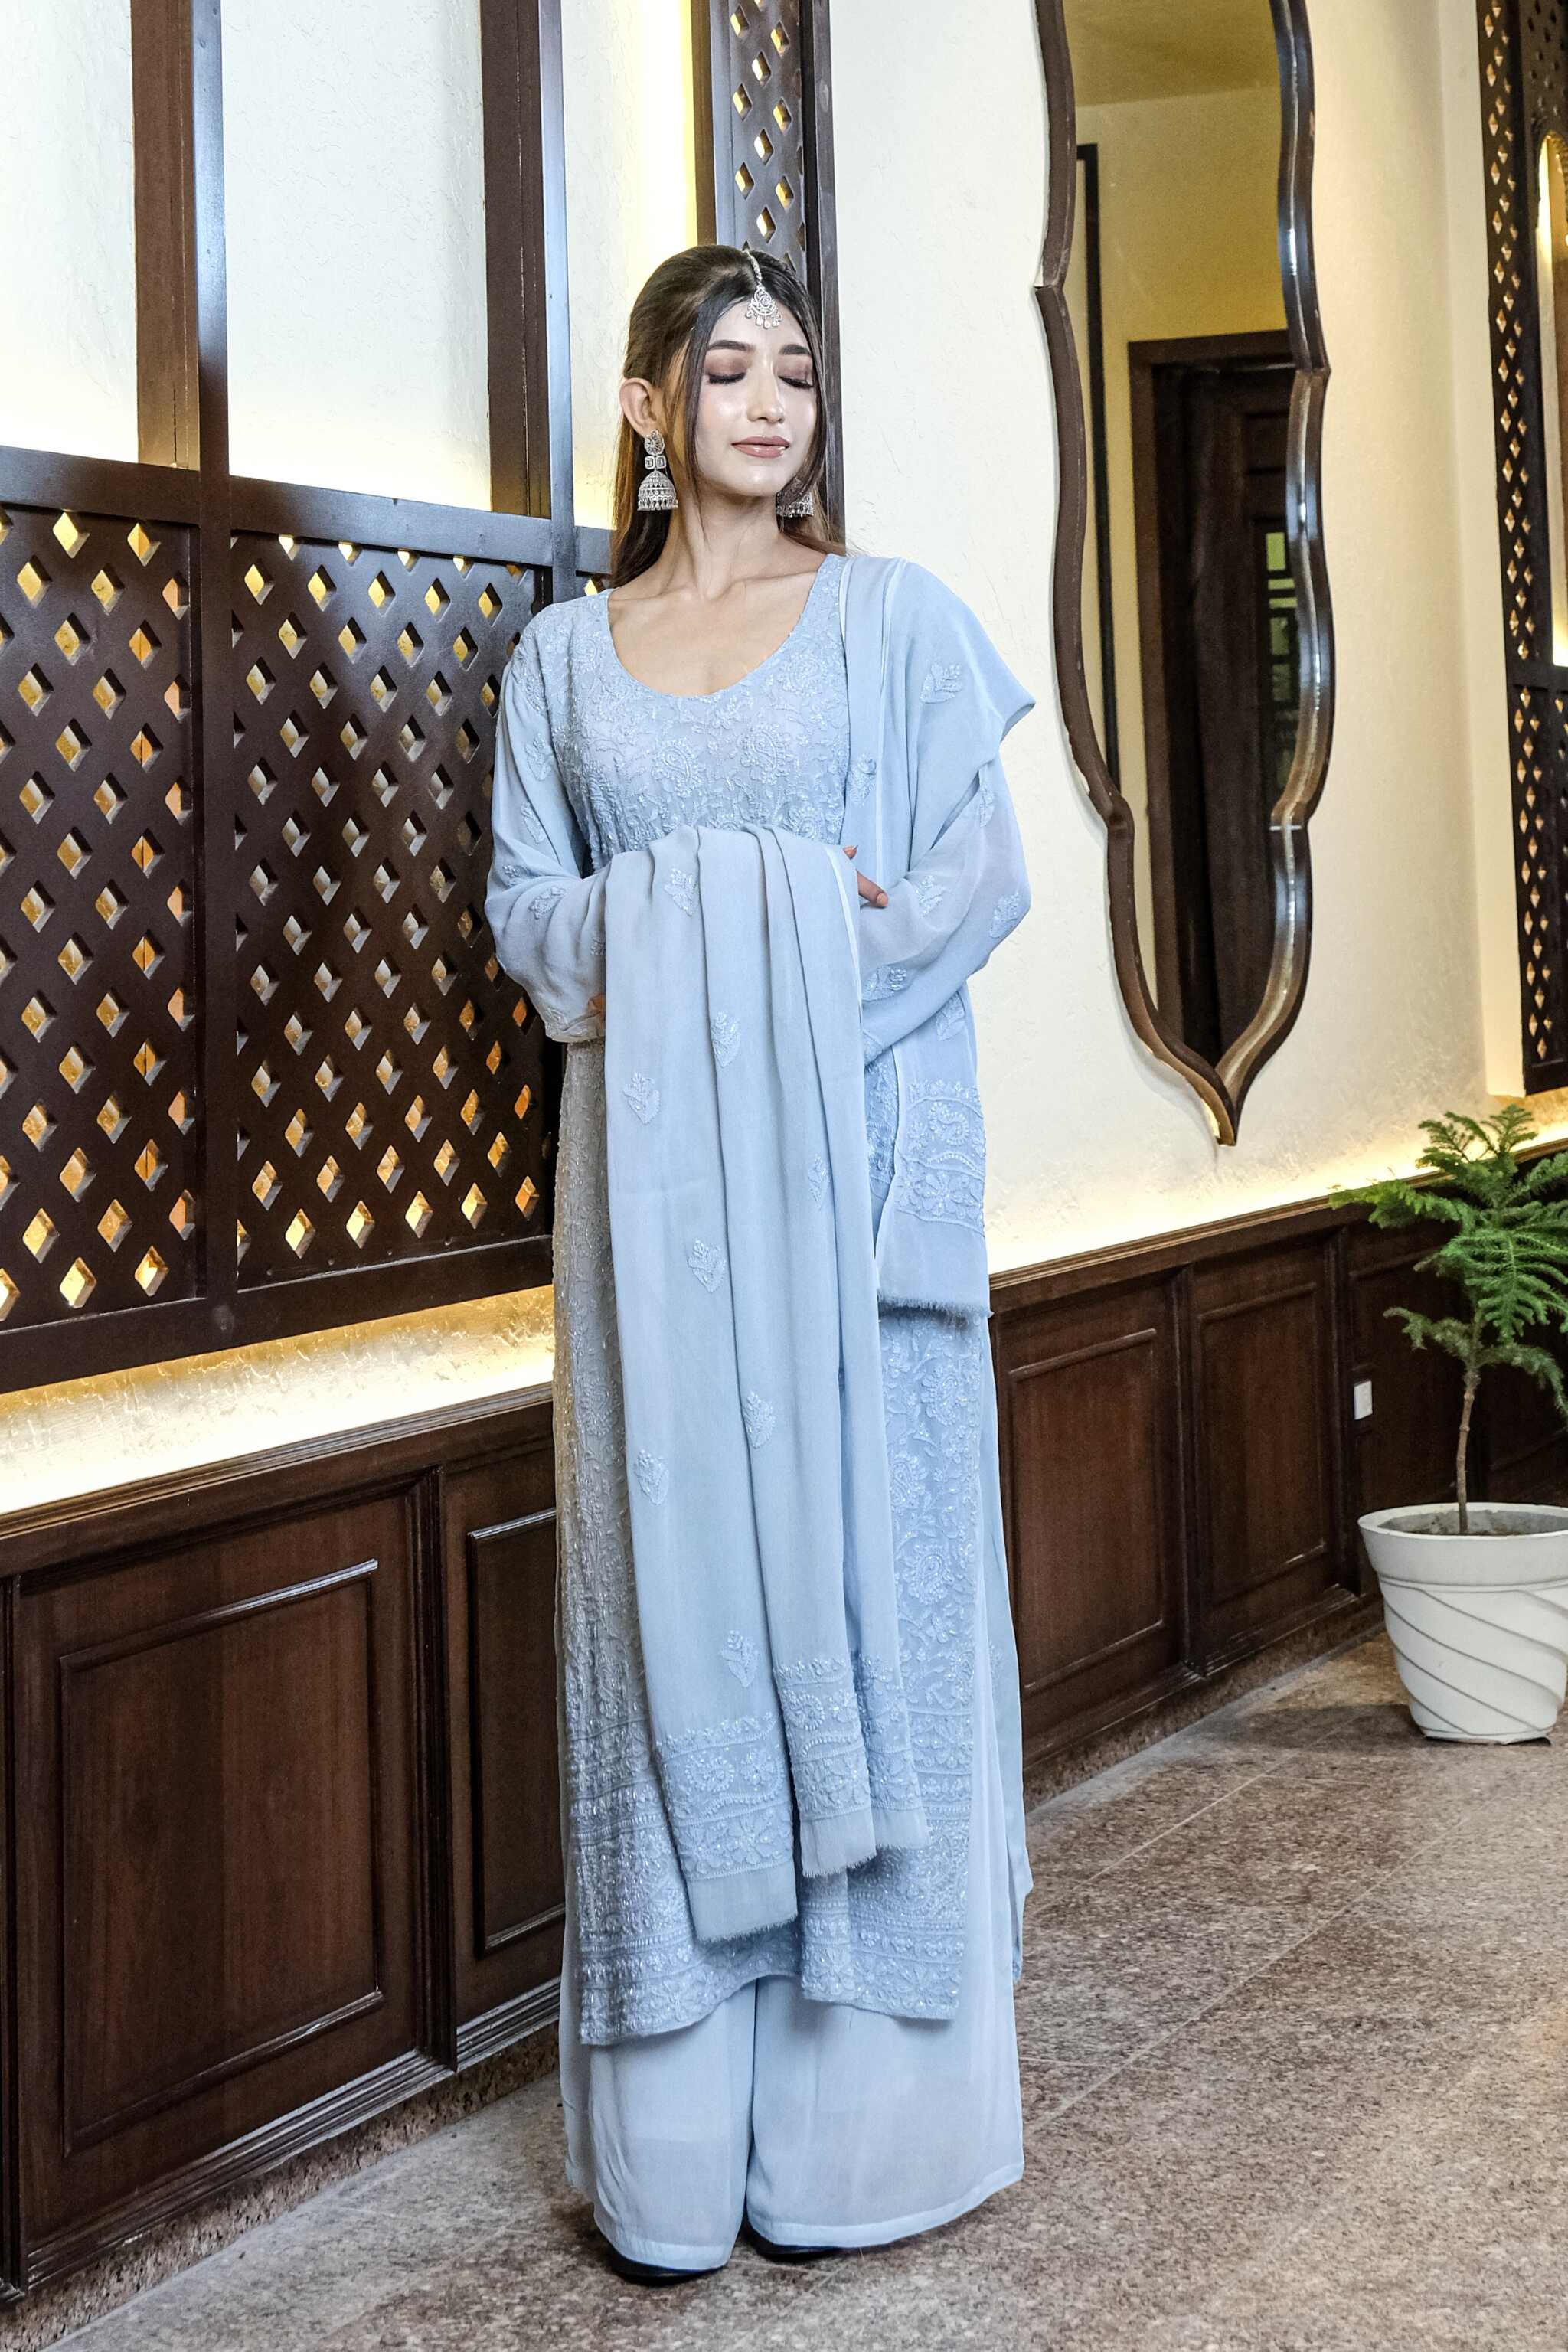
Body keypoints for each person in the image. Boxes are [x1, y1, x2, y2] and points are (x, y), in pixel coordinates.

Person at [483, 243, 1035, 2282]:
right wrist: (729, 920)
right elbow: (532, 915)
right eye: (728, 373)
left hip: (858, 1217)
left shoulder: (890, 626)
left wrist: (766, 943)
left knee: (869, 1624)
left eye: (797, 370)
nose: (773, 405)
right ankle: (672, 2158)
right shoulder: (565, 664)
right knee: (662, 1638)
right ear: (647, 409)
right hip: (651, 1238)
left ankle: (860, 2144)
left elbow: (971, 883)